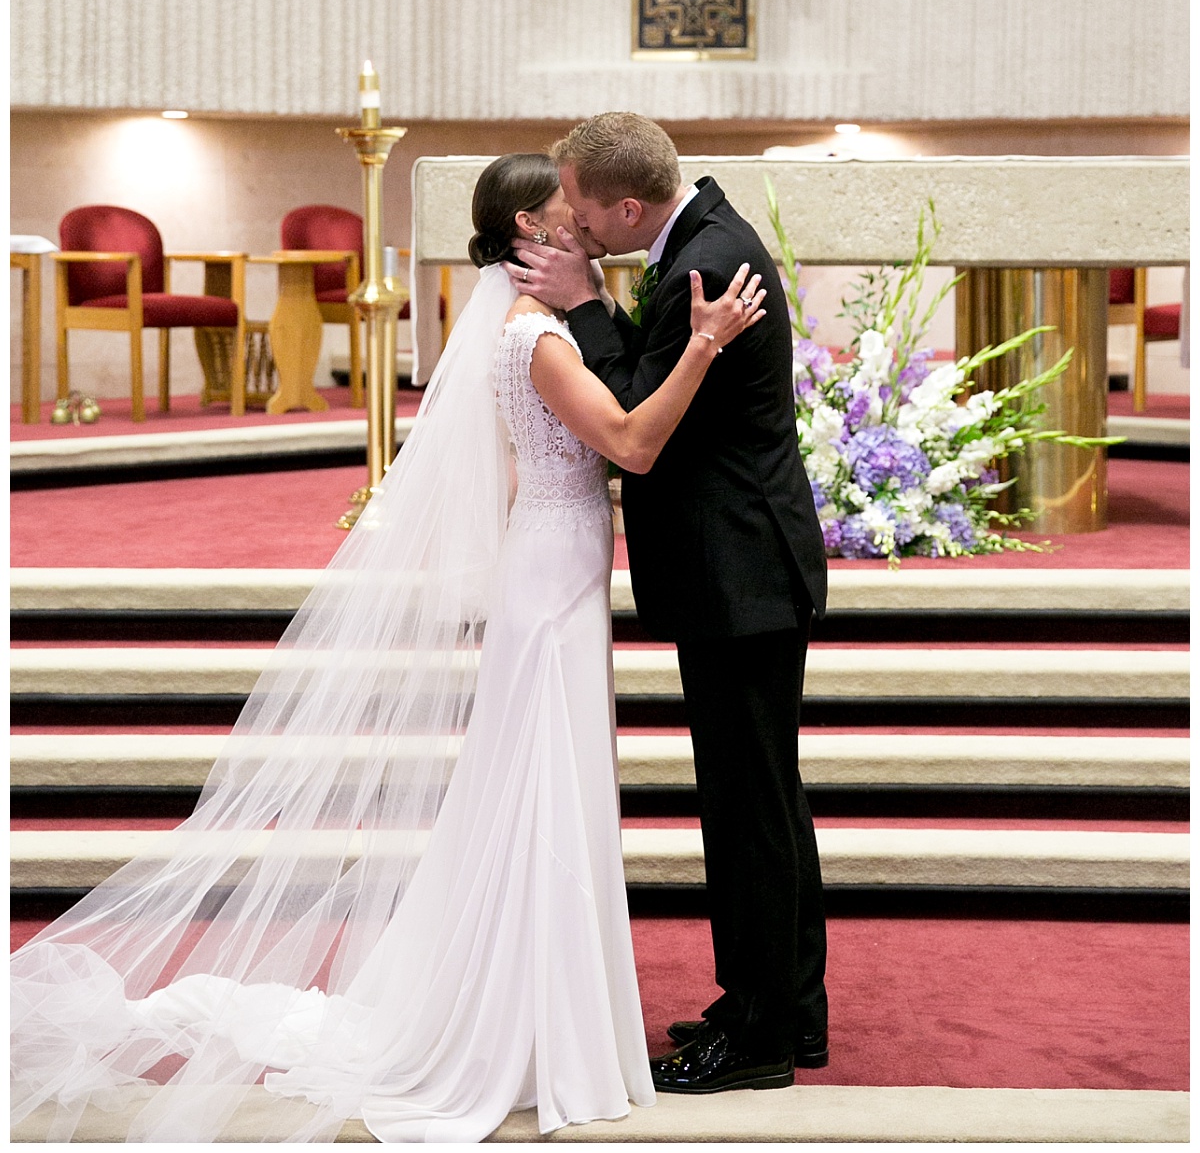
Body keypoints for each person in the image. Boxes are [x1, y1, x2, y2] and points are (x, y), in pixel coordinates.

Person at [10, 153, 765, 1145]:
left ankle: (537, 1005)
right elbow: (628, 443)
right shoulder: (535, 336)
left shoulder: (524, 329)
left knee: (545, 786)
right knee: (545, 785)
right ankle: (526, 1022)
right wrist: (703, 345)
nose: (583, 223)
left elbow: (515, 470)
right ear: (529, 234)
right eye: (563, 215)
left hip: (550, 569)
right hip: (553, 582)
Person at [507, 113, 829, 1096]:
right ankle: (777, 1003)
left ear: (629, 205)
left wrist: (585, 302)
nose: (578, 225)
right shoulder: (700, 240)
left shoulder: (705, 260)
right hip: (739, 569)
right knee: (760, 801)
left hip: (740, 574)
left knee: (749, 810)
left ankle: (765, 1031)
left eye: (585, 208)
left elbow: (636, 413)